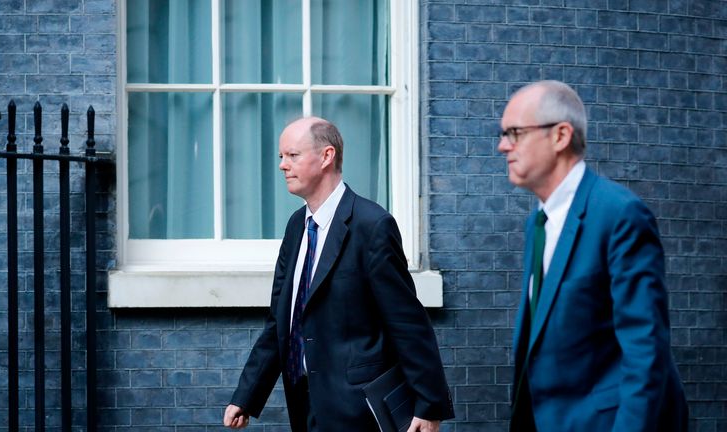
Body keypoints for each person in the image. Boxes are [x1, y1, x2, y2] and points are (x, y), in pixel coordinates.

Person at [223, 117, 454, 431]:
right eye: (281, 157)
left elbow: (407, 322)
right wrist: (247, 395)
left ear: (326, 156)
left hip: (358, 409)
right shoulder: (296, 227)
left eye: (292, 155)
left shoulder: (372, 225)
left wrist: (429, 406)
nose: (282, 165)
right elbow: (281, 321)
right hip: (304, 403)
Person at [500, 80, 688, 431]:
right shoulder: (536, 224)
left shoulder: (620, 215)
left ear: (560, 136)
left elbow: (646, 352)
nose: (502, 146)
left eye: (515, 133)